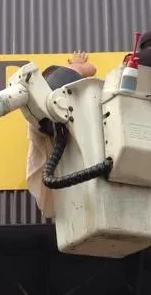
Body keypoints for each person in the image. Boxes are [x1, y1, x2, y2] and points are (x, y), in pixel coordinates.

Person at [25, 52, 98, 219]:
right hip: (71, 162)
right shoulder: (50, 96)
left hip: (71, 165)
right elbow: (90, 69)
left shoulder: (39, 109)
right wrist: (77, 65)